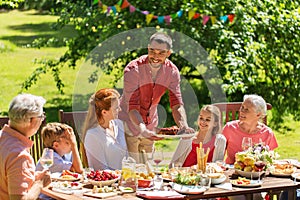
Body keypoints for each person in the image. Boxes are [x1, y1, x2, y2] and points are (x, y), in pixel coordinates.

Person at [119, 32, 194, 163]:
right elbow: (133, 107)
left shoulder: (172, 72)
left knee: (147, 170)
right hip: (128, 123)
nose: (155, 56)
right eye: (152, 51)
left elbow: (176, 103)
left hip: (151, 124)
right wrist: (142, 129)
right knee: (131, 170)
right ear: (148, 48)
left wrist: (183, 126)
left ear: (168, 53)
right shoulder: (133, 70)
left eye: (161, 53)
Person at [0, 93, 51, 199]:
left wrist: (31, 177)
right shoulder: (19, 155)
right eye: (41, 116)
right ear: (32, 120)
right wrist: (39, 183)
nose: (42, 120)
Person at [223, 94, 278, 164]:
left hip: (256, 172)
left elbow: (270, 160)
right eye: (242, 107)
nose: (241, 111)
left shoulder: (267, 133)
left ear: (258, 114)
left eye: (246, 109)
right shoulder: (229, 128)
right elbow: (218, 155)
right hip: (231, 171)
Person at [82, 88, 128, 170]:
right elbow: (100, 170)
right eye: (116, 108)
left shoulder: (118, 124)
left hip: (126, 179)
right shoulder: (93, 136)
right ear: (104, 112)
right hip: (108, 181)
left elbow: (127, 158)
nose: (120, 110)